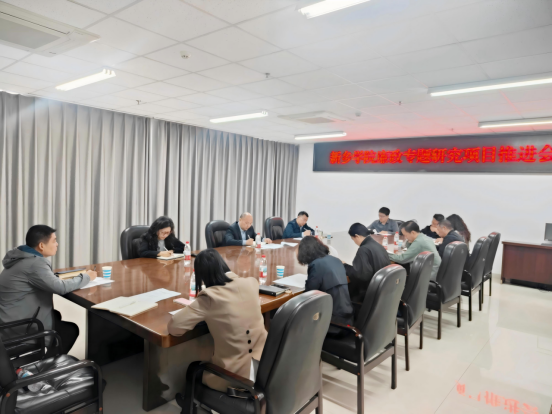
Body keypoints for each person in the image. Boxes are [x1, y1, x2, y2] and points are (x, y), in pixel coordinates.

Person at [168, 249, 267, 392]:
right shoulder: (252, 283)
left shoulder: (209, 296)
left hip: (234, 378)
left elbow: (174, 327)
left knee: (193, 370)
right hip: (266, 368)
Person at [0, 225, 97, 356]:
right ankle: (45, 363)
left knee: (56, 316)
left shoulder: (20, 257)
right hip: (20, 328)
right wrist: (87, 277)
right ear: (41, 246)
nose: (57, 244)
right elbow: (61, 287)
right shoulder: (35, 263)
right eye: (54, 241)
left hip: (8, 322)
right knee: (70, 330)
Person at [297, 236, 353, 335]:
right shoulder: (336, 260)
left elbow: (309, 293)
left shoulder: (315, 264)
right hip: (348, 319)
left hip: (332, 323)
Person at [343, 223, 390, 303]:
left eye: (353, 239)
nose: (354, 242)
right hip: (382, 288)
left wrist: (344, 265)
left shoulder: (364, 249)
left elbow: (361, 275)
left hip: (370, 292)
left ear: (357, 236)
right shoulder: (377, 245)